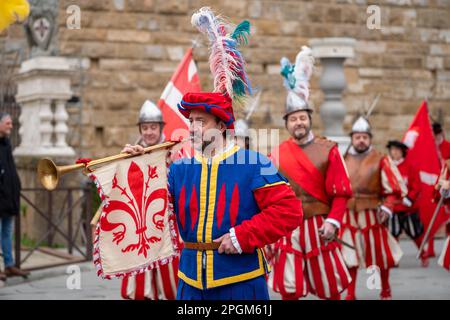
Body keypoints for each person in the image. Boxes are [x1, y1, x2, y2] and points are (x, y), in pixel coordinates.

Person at [123, 7, 303, 300]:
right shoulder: (180, 168)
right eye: (190, 122)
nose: (193, 128)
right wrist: (137, 169)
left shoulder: (256, 164)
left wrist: (241, 236)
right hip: (190, 284)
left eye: (201, 122)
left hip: (242, 283)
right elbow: (152, 211)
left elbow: (289, 212)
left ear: (222, 125)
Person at [267, 46, 352, 300]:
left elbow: (342, 193)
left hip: (320, 225)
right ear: (287, 124)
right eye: (293, 119)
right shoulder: (277, 153)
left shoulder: (329, 150)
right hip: (289, 227)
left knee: (329, 287)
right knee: (289, 288)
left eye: (302, 118)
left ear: (309, 119)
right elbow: (268, 195)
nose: (298, 123)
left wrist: (333, 221)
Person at [92, 101, 180, 300]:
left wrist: (164, 159)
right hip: (140, 230)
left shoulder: (173, 153)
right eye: (145, 127)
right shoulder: (130, 153)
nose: (149, 132)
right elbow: (122, 189)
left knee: (170, 287)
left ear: (161, 128)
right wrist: (123, 162)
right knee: (139, 290)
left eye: (153, 127)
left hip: (165, 225)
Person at [340, 116, 406, 300]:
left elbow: (394, 189)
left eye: (364, 137)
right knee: (349, 255)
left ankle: (385, 289)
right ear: (352, 138)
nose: (361, 140)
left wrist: (387, 206)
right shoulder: (343, 160)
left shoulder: (381, 160)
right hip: (349, 215)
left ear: (370, 138)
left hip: (373, 215)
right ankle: (350, 293)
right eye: (357, 136)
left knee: (379, 255)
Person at [386, 140, 427, 265]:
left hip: (409, 207)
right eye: (393, 150)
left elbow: (417, 186)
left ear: (403, 152)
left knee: (415, 233)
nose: (395, 152)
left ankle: (423, 255)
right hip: (393, 207)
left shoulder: (410, 165)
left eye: (397, 150)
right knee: (393, 234)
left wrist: (409, 198)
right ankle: (395, 258)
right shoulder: (387, 166)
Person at [0, 112, 30, 280]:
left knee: (7, 233)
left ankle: (9, 265)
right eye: (8, 123)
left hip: (8, 198)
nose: (11, 126)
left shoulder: (6, 143)